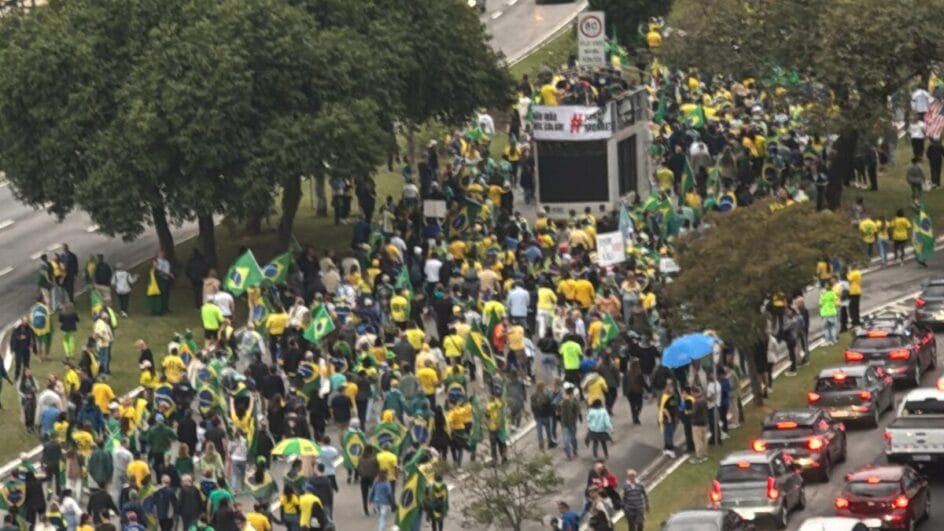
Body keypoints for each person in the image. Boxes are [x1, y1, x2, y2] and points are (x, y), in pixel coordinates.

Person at [658, 379, 678, 458]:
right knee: (668, 434)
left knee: (668, 433)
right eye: (669, 385)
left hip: (671, 417)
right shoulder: (665, 396)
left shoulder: (672, 395)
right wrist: (669, 417)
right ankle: (670, 449)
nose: (671, 387)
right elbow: (664, 408)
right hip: (668, 418)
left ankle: (666, 448)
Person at [819, 281, 839, 345]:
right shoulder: (833, 293)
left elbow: (820, 304)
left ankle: (828, 341)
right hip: (832, 312)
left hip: (825, 313)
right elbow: (836, 302)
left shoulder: (823, 294)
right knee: (833, 327)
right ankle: (834, 340)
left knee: (826, 328)